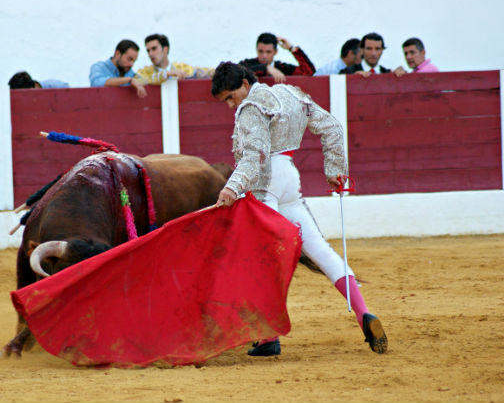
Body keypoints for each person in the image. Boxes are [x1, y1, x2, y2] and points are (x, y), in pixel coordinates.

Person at [211, 62, 387, 357]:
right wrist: (335, 171)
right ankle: (363, 313)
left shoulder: (251, 106)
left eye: (231, 96)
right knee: (320, 249)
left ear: (244, 83)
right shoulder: (292, 94)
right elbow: (331, 126)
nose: (231, 105)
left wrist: (232, 187)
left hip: (265, 183)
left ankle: (268, 337)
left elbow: (254, 155)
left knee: (259, 260)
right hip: (290, 178)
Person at [134, 34, 214, 85]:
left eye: (154, 49)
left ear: (165, 49)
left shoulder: (182, 68)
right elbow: (136, 81)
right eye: (148, 50)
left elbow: (205, 73)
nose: (150, 54)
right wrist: (166, 74)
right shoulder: (144, 72)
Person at [239, 32, 315, 83]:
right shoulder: (247, 64)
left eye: (268, 52)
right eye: (261, 51)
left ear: (275, 52)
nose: (264, 56)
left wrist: (291, 48)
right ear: (256, 50)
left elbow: (308, 72)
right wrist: (266, 68)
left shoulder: (282, 67)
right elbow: (237, 74)